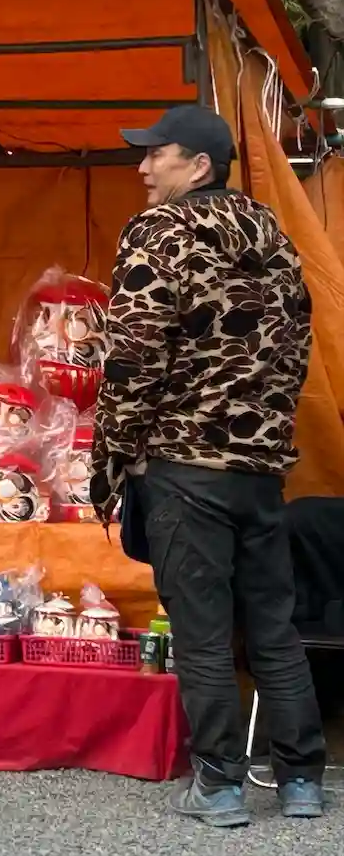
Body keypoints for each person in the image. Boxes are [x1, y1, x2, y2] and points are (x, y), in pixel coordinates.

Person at [90, 105, 327, 826]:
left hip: (185, 466)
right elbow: (295, 349)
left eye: (155, 154)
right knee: (273, 625)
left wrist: (111, 457)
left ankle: (219, 783)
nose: (142, 167)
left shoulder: (158, 233)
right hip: (259, 469)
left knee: (201, 631)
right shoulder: (274, 238)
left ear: (198, 166)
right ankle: (301, 779)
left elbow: (132, 358)